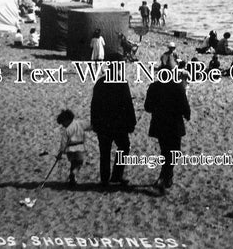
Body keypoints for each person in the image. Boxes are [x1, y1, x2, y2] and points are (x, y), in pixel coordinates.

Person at [91, 56, 136, 186]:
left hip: (103, 124)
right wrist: (131, 122)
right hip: (118, 124)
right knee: (124, 147)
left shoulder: (100, 83)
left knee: (104, 152)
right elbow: (128, 104)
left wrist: (94, 122)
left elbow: (94, 105)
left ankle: (105, 179)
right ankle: (117, 175)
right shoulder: (122, 82)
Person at [145, 70, 191, 194]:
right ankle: (165, 177)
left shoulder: (153, 86)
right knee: (175, 152)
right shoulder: (177, 86)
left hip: (159, 124)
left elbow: (147, 107)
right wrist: (187, 115)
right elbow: (184, 105)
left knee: (165, 151)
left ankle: (165, 177)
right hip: (174, 125)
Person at [56, 109, 92, 187]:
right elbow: (89, 126)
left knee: (73, 163)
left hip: (70, 150)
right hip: (79, 147)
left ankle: (73, 178)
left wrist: (61, 152)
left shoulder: (66, 130)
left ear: (68, 120)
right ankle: (74, 173)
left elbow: (63, 143)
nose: (63, 125)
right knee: (79, 162)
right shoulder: (80, 123)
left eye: (63, 123)